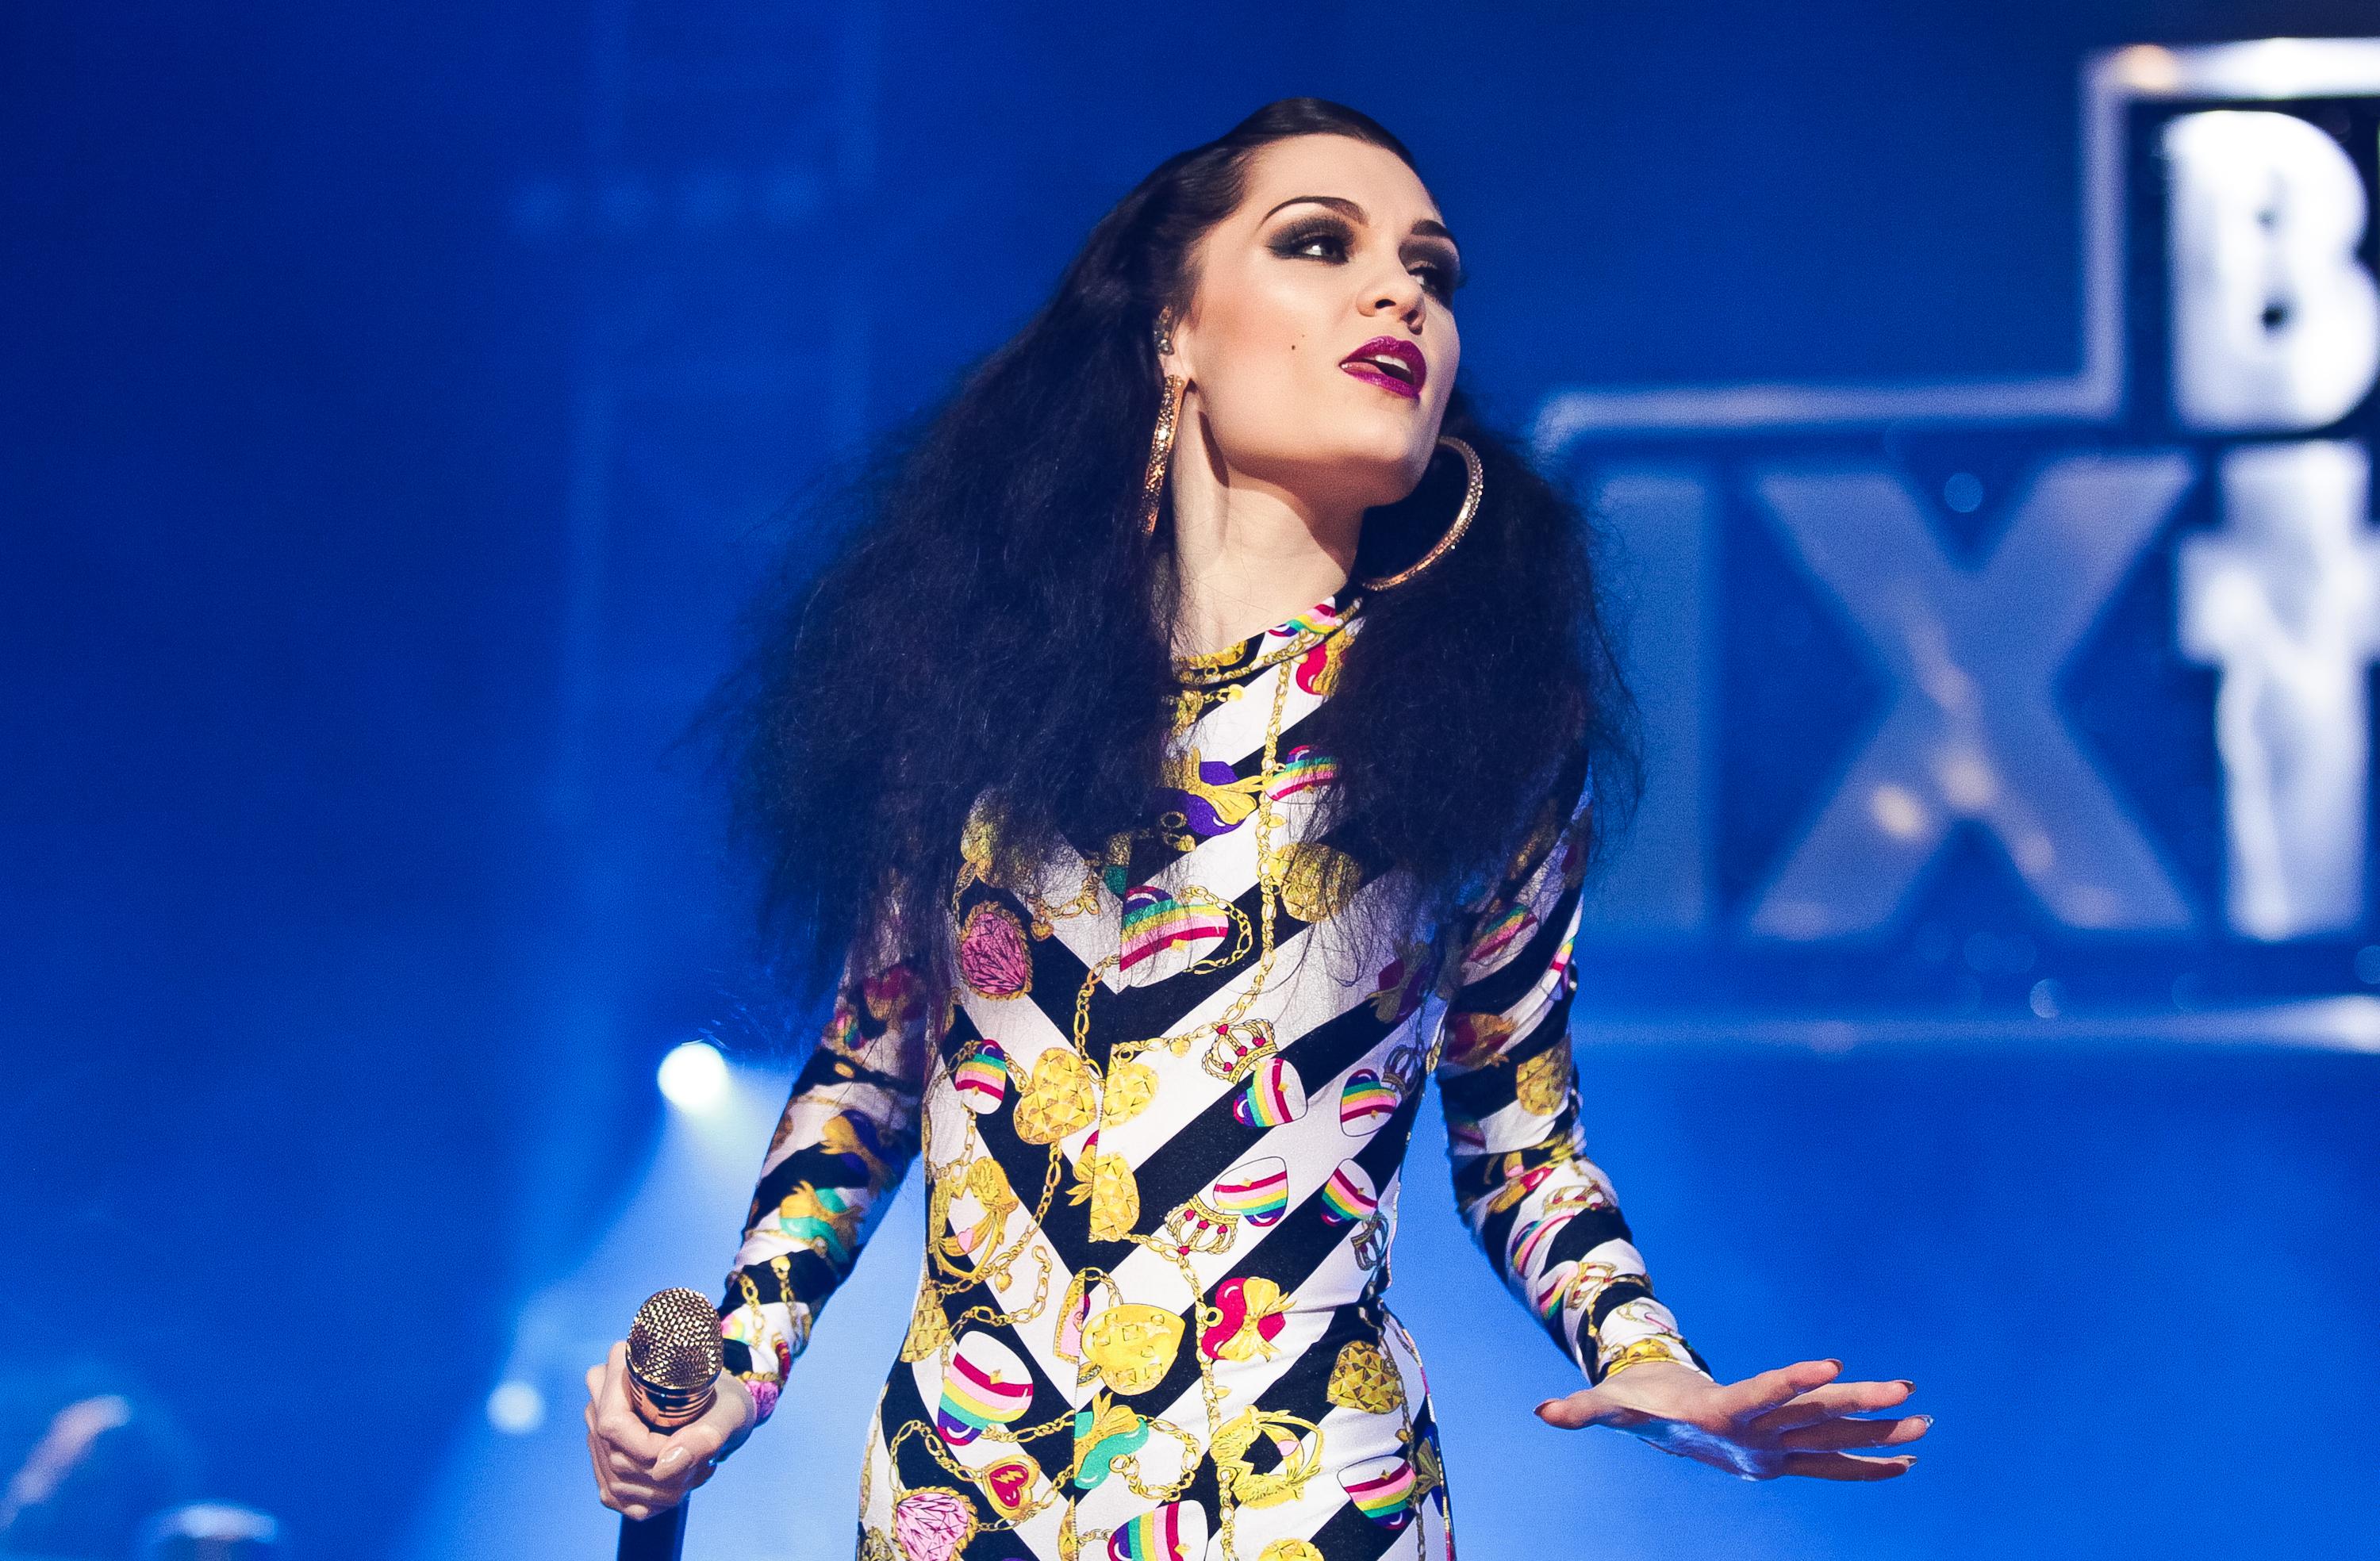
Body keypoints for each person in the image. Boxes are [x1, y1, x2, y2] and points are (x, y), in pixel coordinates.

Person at [585, 98, 1927, 1560]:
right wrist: (733, 1365)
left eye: (1432, 271)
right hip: (960, 1508)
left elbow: (1520, 1138)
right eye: (1320, 245)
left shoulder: (1485, 730)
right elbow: (867, 1074)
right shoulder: (973, 690)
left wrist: (1646, 1359)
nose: (1400, 294)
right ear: (1175, 327)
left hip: (1310, 1505)